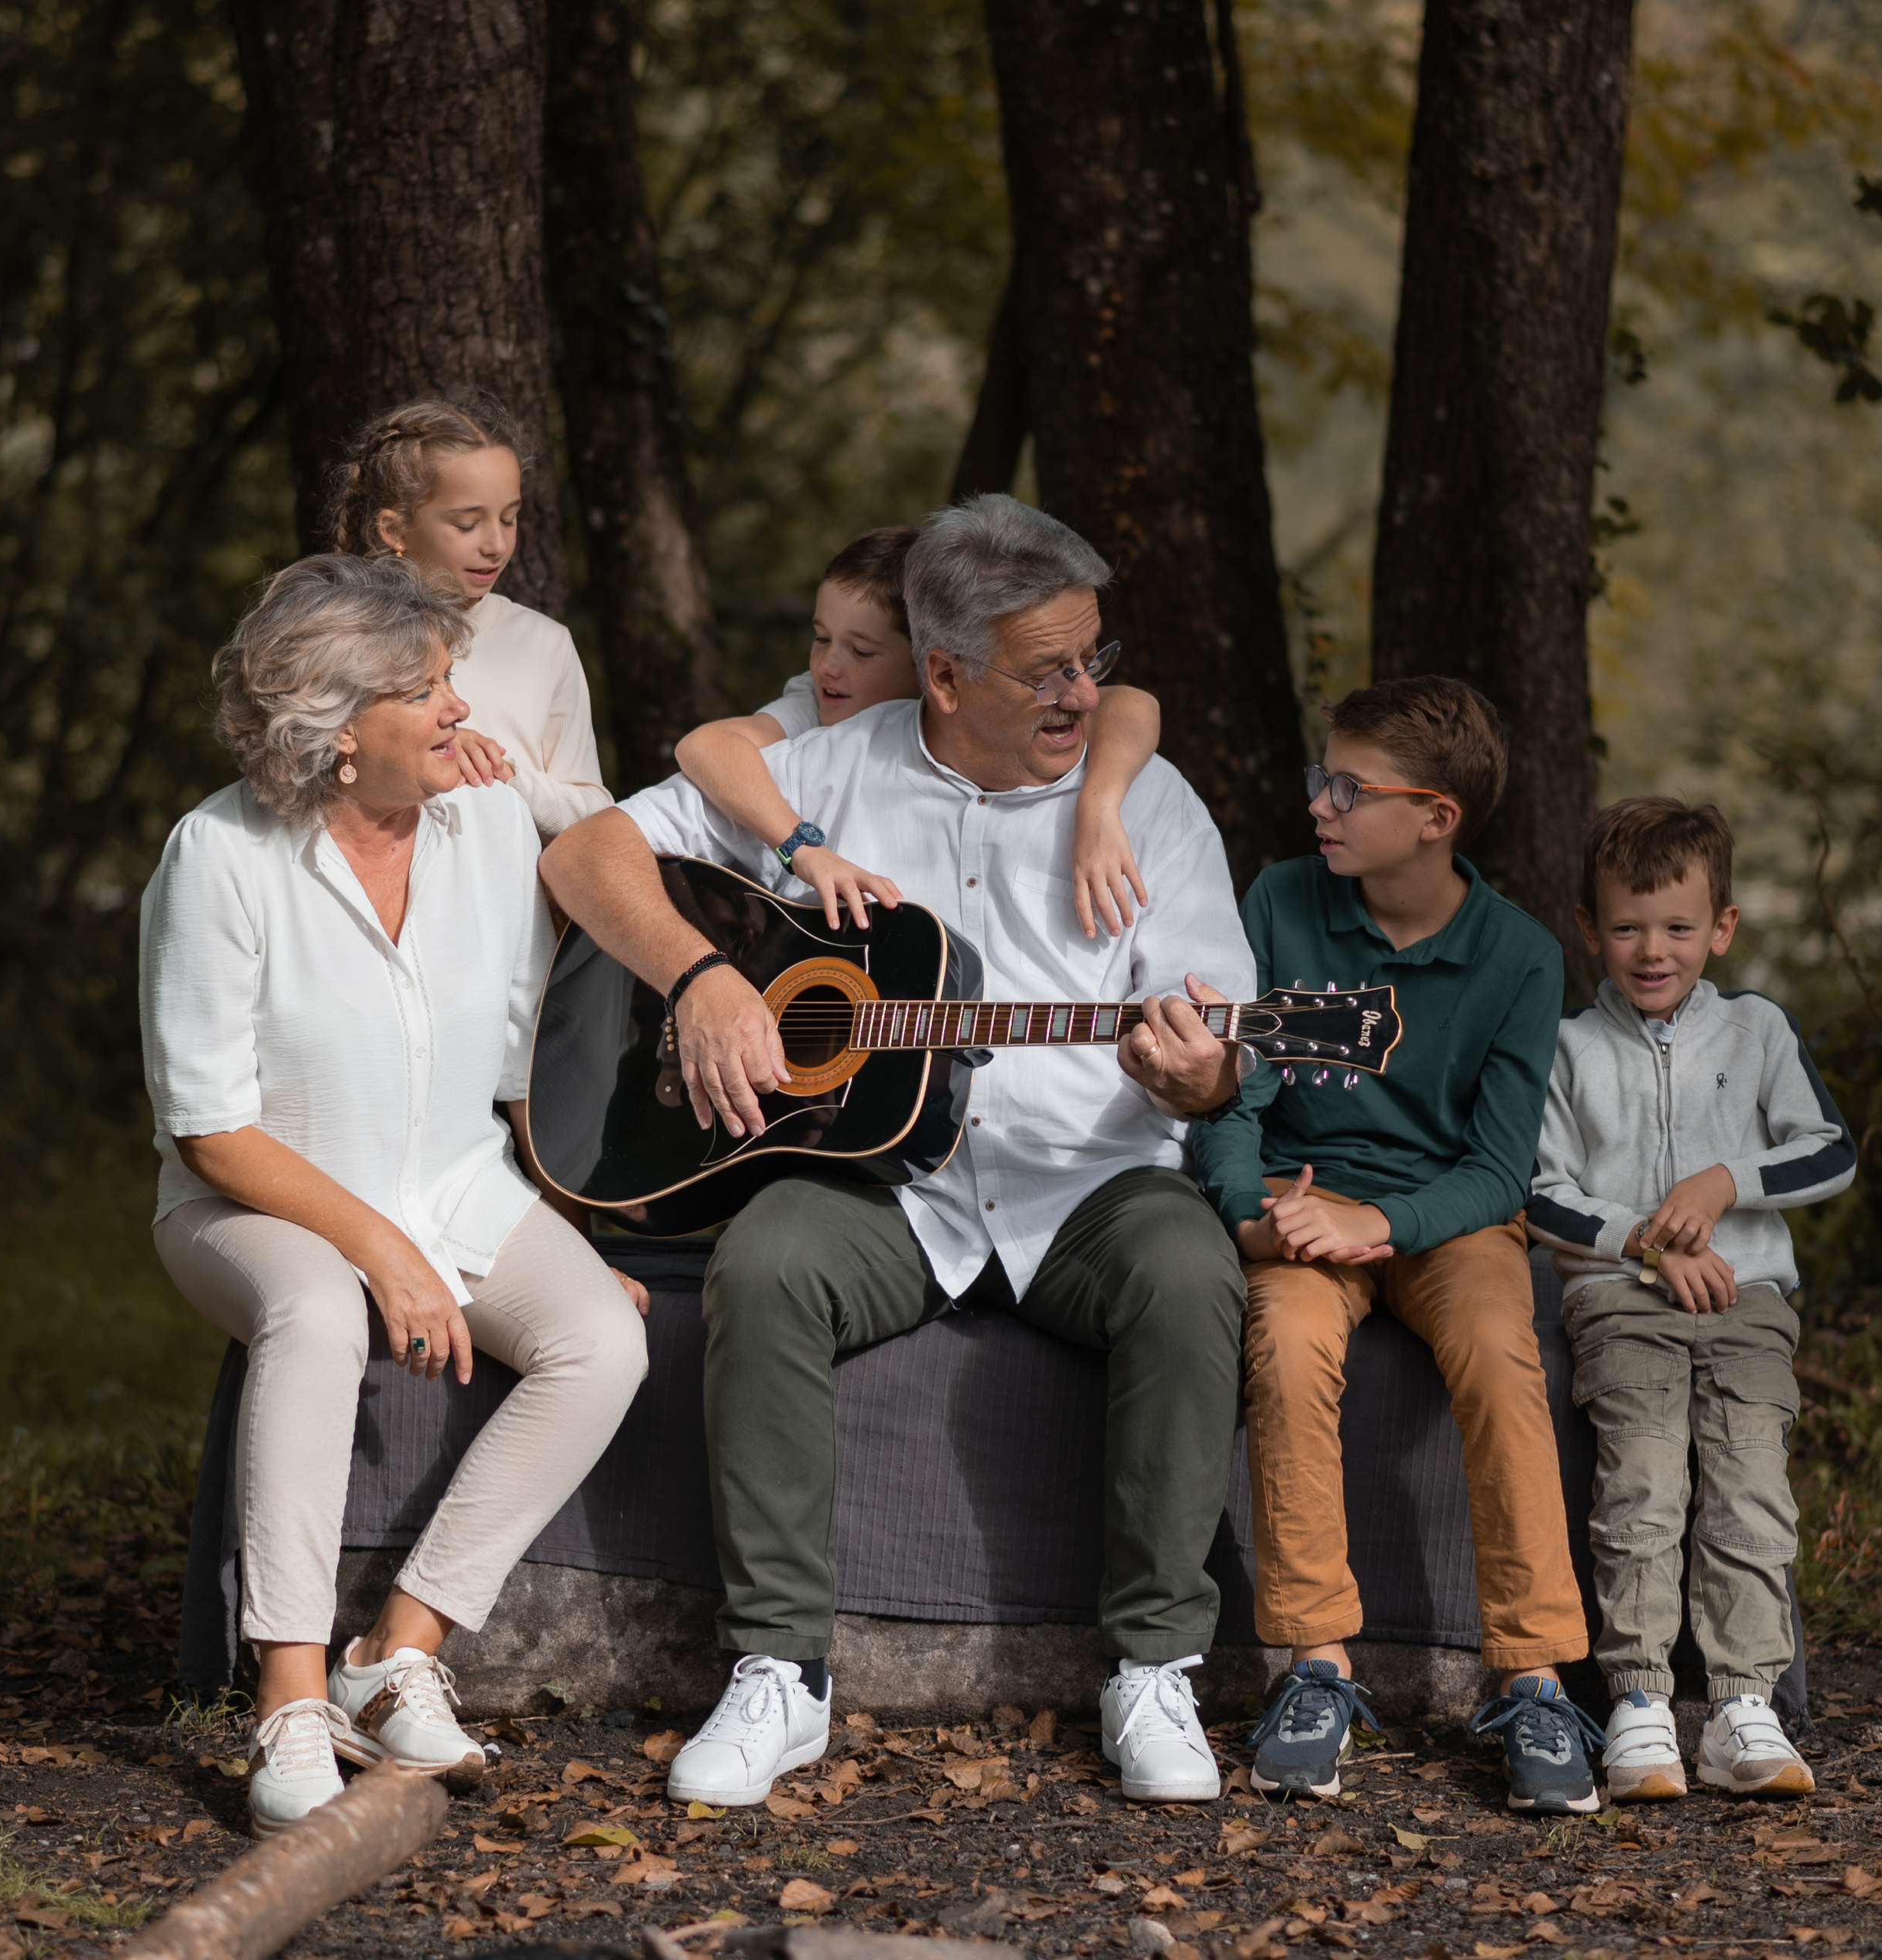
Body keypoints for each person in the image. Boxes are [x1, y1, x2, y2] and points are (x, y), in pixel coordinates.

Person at [542, 493, 1253, 1808]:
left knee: (1189, 1271)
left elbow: (1217, 1039)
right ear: (944, 675)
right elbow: (589, 856)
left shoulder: (1148, 804)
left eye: (1092, 659)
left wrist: (1202, 1074)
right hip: (885, 1184)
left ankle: (1156, 1668)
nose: (1084, 694)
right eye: (1048, 671)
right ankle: (780, 1671)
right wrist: (701, 976)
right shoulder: (822, 776)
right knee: (767, 1263)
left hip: (1089, 1183)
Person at [140, 554, 650, 1839]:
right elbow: (209, 1129)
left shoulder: (486, 825)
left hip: (456, 1186)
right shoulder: (218, 855)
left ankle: (397, 1650)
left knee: (604, 1339)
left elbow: (520, 1058)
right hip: (253, 1205)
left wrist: (566, 1231)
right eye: (426, 692)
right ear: (336, 725)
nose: (457, 712)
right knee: (317, 1312)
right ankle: (290, 1698)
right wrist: (379, 1249)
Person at [1191, 676, 1599, 1814]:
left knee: (1503, 1357)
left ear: (1435, 817)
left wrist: (1380, 1224)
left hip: (1448, 1213)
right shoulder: (1281, 900)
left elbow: (1500, 1168)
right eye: (1320, 779)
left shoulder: (1518, 956)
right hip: (1298, 1198)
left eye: (1347, 788)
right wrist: (1250, 1213)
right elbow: (1230, 1095)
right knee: (1284, 1346)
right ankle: (1314, 1666)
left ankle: (1533, 1678)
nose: (1317, 804)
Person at [1528, 796, 1854, 1800]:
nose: (1652, 950)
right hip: (1620, 1301)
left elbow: (1829, 1151)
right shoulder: (1568, 1047)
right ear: (1590, 929)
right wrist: (1643, 1242)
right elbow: (1538, 1191)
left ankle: (1742, 1706)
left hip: (1745, 1298)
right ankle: (1638, 1698)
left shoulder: (1757, 1030)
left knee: (1749, 1485)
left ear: (1722, 927)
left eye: (1677, 926)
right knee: (1642, 1481)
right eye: (1627, 927)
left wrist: (1723, 1184)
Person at [673, 525, 1164, 939]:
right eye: (821, 639)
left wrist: (1099, 807)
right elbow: (705, 745)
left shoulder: (986, 700)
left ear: (932, 670)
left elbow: (1130, 705)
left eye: (862, 651)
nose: (827, 666)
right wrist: (802, 849)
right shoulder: (818, 706)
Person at [329, 393, 613, 841]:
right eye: (467, 524)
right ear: (395, 530)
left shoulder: (545, 643)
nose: (497, 545)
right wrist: (423, 753)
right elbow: (298, 778)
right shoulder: (342, 635)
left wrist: (504, 774)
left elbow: (596, 817)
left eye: (510, 519)